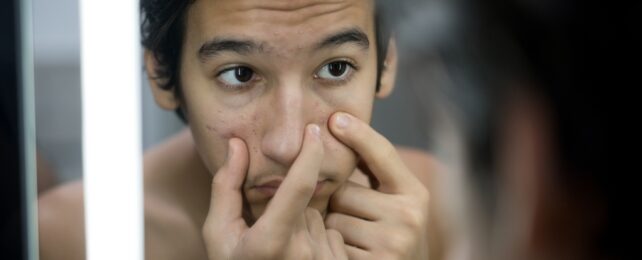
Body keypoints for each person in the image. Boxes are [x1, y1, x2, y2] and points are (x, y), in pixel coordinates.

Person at [38, 1, 436, 259]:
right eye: (240, 74)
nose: (290, 144)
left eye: (335, 68)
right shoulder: (68, 239)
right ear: (161, 75)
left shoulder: (444, 211)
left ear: (385, 64)